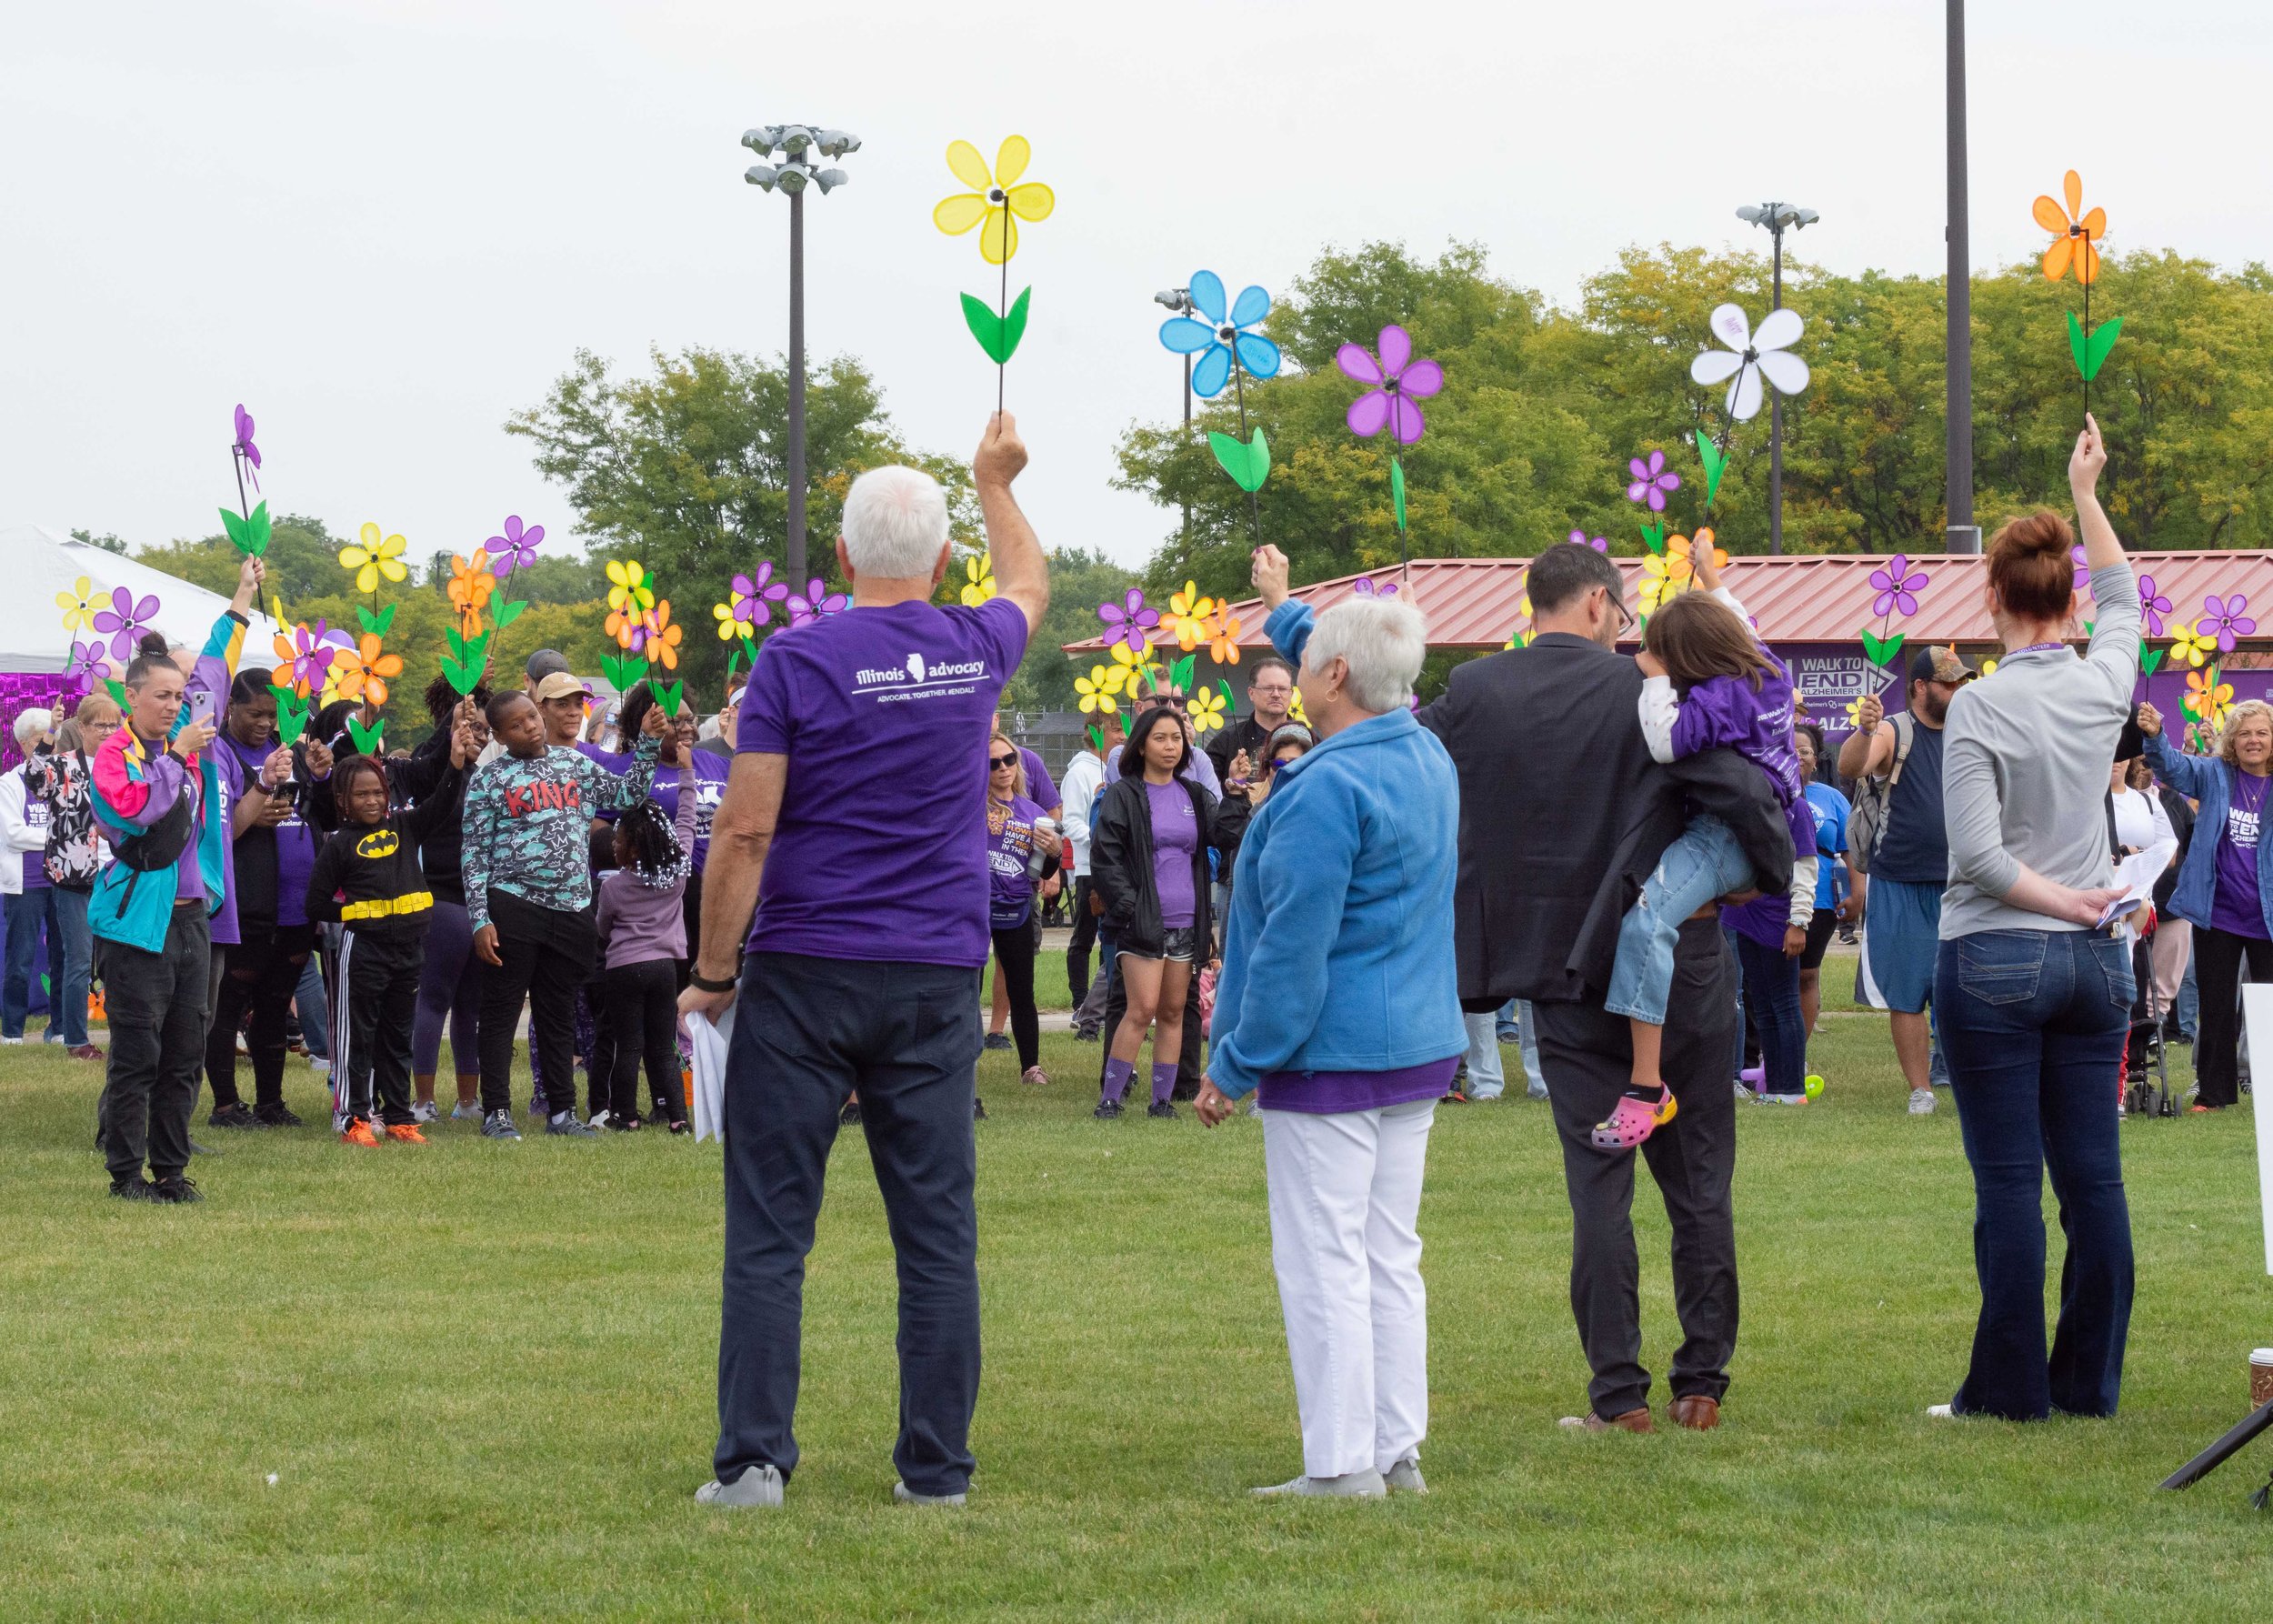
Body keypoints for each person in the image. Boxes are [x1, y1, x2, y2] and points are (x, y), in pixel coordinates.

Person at [679, 416, 1042, 1510]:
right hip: (934, 972)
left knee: (771, 1228)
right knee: (935, 1233)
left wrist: (711, 969)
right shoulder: (974, 645)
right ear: (939, 564)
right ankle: (934, 1471)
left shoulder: (794, 658)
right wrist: (995, 482)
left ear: (841, 559)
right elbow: (1028, 577)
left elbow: (743, 830)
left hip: (804, 968)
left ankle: (750, 1463)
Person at [1390, 538, 1790, 1433]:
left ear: (1534, 605)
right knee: (1699, 1183)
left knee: (1598, 1185)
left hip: (1558, 967)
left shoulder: (1479, 695)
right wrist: (1766, 874)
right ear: (1600, 604)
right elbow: (1740, 781)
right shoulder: (1651, 692)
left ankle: (1619, 1395)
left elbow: (1406, 766)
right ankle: (1700, 1383)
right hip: (1679, 961)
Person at [1194, 593, 1463, 1499]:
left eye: (1306, 661)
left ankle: (1343, 1462)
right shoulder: (1423, 752)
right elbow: (1359, 665)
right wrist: (1287, 607)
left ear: (1333, 677)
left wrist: (1231, 1065)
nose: (1294, 672)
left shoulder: (1323, 790)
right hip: (1413, 1046)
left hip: (1330, 1056)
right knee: (1388, 1253)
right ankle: (1393, 1449)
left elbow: (1289, 958)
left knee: (1326, 1261)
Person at [1931, 416, 2135, 1420]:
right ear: (2062, 597)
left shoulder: (1977, 703)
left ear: (1995, 598)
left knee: (2010, 1183)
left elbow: (1975, 859)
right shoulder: (2105, 682)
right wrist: (2085, 492)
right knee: (2091, 1183)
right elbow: (2125, 596)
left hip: (1997, 958)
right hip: (2095, 965)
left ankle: (2009, 1392)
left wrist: (2062, 899)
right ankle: (2086, 1382)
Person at [1606, 548, 1816, 1137]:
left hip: (1725, 833)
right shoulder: (1767, 669)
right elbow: (1734, 615)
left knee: (1644, 926)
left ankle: (1646, 1084)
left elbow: (1667, 742)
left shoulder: (1721, 697)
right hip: (1761, 830)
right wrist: (1709, 577)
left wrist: (1655, 680)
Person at [462, 687, 664, 1141]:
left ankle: (561, 1113)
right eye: (517, 724)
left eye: (532, 717)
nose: (531, 726)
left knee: (558, 1013)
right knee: (500, 1011)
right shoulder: (489, 779)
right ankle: (497, 1112)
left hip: (573, 907)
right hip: (512, 905)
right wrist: (480, 918)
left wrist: (649, 744)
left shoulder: (573, 764)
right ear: (498, 734)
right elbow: (473, 853)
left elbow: (627, 796)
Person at [305, 713, 476, 1146]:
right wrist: (355, 914)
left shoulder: (405, 827)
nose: (372, 801)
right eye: (360, 795)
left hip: (408, 951)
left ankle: (399, 1114)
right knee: (356, 1037)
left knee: (398, 1036)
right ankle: (354, 1117)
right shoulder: (340, 844)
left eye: (378, 792)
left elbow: (440, 803)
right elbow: (316, 903)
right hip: (362, 951)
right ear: (343, 801)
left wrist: (455, 764)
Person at [1840, 644, 1974, 1114]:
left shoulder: (1969, 731)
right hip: (1899, 881)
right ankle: (1922, 1089)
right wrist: (1865, 729)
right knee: (1908, 990)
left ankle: (1962, 1077)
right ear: (1920, 687)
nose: (1958, 690)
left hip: (1964, 883)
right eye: (1948, 683)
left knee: (1966, 991)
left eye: (1961, 682)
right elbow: (1852, 765)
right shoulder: (1896, 729)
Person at [202, 669, 328, 1129]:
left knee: (276, 1004)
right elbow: (220, 827)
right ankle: (225, 1105)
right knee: (228, 1007)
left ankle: (271, 1102)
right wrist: (255, 814)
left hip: (295, 905)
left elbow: (320, 813)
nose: (264, 723)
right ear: (230, 706)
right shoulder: (218, 752)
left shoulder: (289, 749)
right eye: (254, 713)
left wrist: (319, 774)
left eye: (271, 715)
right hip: (248, 904)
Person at [1088, 706, 1223, 1119]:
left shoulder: (1195, 795)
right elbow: (1105, 856)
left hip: (1187, 921)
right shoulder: (1123, 794)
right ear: (1142, 745)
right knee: (1140, 1009)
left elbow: (1225, 836)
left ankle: (1161, 1102)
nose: (1170, 746)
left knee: (1171, 1012)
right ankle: (1110, 1099)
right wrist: (1127, 905)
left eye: (1177, 738)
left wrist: (1235, 795)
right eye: (1160, 738)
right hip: (1141, 920)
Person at [2139, 697, 2273, 1111]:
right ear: (2232, 740)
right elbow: (2173, 768)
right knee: (2215, 1007)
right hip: (2219, 913)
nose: (2253, 741)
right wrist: (2156, 736)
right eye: (2245, 733)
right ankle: (2214, 1094)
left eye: (2262, 733)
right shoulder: (2214, 774)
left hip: (2268, 917)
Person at [595, 738, 701, 1132]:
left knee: (629, 1046)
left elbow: (603, 929)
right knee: (662, 1046)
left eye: (619, 839)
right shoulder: (676, 877)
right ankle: (677, 1118)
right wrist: (687, 774)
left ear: (630, 849)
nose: (614, 843)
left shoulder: (613, 888)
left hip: (624, 969)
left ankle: (627, 1117)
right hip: (665, 968)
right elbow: (687, 821)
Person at [406, 678, 490, 1122]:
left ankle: (468, 1101)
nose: (476, 737)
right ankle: (422, 1101)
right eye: (468, 727)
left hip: (481, 905)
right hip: (441, 898)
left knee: (469, 1005)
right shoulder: (432, 771)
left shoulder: (488, 779)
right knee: (434, 999)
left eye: (483, 731)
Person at [25, 695, 122, 1060]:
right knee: (78, 959)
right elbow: (35, 780)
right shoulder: (64, 765)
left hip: (117, 872)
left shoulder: (124, 765)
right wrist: (50, 731)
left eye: (114, 725)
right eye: (100, 725)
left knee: (119, 959)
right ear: (81, 728)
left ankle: (125, 1033)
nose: (109, 732)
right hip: (73, 875)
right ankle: (75, 1040)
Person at [983, 714, 1059, 1052]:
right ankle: (964, 1064)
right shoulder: (971, 806)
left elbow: (1041, 871)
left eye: (1009, 759)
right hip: (975, 903)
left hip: (1017, 905)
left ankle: (1032, 1066)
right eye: (994, 763)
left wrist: (1054, 853)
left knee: (1022, 988)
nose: (1003, 768)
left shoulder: (1031, 812)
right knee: (965, 989)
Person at [2, 709, 63, 1044]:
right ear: (25, 744)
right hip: (25, 883)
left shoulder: (62, 779)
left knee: (63, 955)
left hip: (62, 880)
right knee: (20, 958)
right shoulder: (8, 784)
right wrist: (63, 838)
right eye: (42, 738)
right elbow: (14, 834)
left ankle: (61, 1028)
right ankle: (12, 1031)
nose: (49, 746)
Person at [1059, 710, 1123, 1017]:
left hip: (1116, 869)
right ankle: (1080, 1004)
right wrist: (1101, 843)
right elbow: (1071, 822)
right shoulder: (1078, 774)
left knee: (1111, 939)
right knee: (1084, 936)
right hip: (1089, 869)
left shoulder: (1119, 770)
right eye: (1116, 730)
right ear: (1097, 733)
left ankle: (1104, 1006)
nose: (1123, 736)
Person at [1795, 726, 1853, 1041]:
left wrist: (1857, 893)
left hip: (1820, 900)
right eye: (1789, 749)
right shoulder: (1764, 789)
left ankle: (1797, 1052)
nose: (1797, 756)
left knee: (1806, 974)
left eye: (1804, 750)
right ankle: (1761, 1051)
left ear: (1816, 760)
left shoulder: (1831, 798)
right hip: (1771, 897)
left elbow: (1851, 849)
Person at [1204, 654, 1297, 786]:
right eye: (1268, 688)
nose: (1276, 694)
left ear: (1291, 694)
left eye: (1282, 689)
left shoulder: (1308, 741)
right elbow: (1205, 792)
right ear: (1251, 693)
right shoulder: (1227, 741)